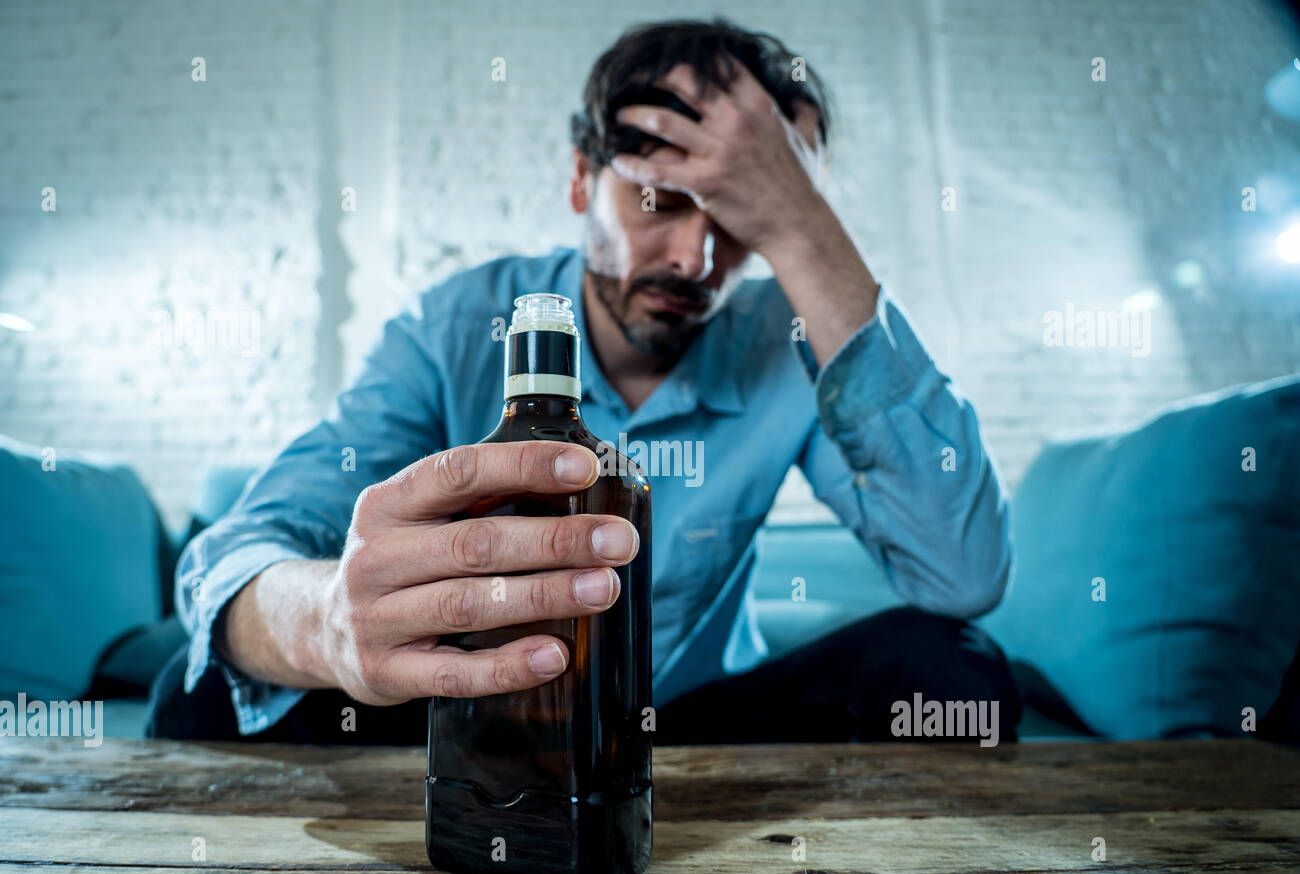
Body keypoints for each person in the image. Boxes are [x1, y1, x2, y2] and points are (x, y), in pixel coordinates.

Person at [146, 17, 1020, 745]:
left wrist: (802, 228)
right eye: (661, 200)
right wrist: (332, 624)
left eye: (745, 217)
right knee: (199, 694)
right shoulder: (455, 329)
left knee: (954, 678)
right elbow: (242, 553)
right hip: (482, 713)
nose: (696, 258)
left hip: (690, 723)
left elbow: (961, 577)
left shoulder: (790, 341)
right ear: (581, 180)